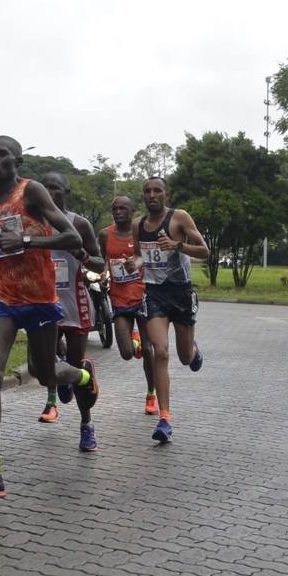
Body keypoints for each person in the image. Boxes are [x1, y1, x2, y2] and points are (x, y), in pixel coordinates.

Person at [0, 137, 95, 499]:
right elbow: (0, 246)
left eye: (0, 155)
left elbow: (67, 236)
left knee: (44, 371)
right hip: (1, 296)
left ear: (17, 161)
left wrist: (27, 242)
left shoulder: (31, 192)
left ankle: (82, 375)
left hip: (38, 298)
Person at [137, 176, 209, 445]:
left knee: (183, 357)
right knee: (159, 351)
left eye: (157, 190)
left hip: (181, 292)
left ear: (166, 194)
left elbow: (205, 251)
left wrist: (177, 245)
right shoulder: (140, 226)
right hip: (155, 294)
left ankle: (193, 350)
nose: (152, 195)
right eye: (147, 191)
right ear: (143, 196)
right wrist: (134, 263)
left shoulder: (179, 218)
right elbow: (140, 254)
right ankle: (165, 418)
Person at [36, 172, 104, 453]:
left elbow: (100, 264)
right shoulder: (33, 224)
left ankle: (86, 426)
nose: (50, 193)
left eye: (56, 188)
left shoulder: (79, 224)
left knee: (74, 370)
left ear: (66, 192)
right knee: (46, 365)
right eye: (45, 188)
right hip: (43, 305)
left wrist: (83, 256)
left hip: (75, 305)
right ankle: (58, 382)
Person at [102, 194, 157, 416]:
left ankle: (151, 393)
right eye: (115, 208)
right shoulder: (105, 234)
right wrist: (104, 273)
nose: (118, 212)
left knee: (149, 350)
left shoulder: (142, 232)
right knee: (125, 353)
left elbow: (152, 258)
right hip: (119, 298)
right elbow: (102, 259)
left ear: (133, 211)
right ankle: (134, 343)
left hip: (144, 295)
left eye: (124, 208)